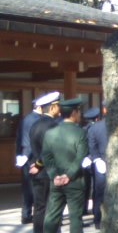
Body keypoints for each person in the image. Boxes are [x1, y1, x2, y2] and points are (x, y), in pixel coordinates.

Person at [42, 97, 88, 233]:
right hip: (75, 181)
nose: (80, 115)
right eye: (79, 112)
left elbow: (46, 156)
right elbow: (80, 157)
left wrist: (54, 175)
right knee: (75, 218)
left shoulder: (50, 133)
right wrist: (69, 175)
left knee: (52, 216)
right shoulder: (80, 132)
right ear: (74, 113)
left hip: (56, 181)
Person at [28, 91, 61, 233]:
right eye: (58, 106)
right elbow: (48, 150)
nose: (60, 109)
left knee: (40, 207)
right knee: (52, 208)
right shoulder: (53, 125)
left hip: (37, 173)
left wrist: (35, 164)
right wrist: (38, 164)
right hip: (48, 172)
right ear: (52, 108)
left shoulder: (35, 125)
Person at [15, 95, 43, 224]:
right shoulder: (38, 120)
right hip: (34, 156)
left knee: (27, 187)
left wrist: (19, 154)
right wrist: (27, 154)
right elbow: (34, 139)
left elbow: (18, 137)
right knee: (37, 188)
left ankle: (26, 214)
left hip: (24, 156)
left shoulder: (26, 118)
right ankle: (37, 215)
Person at [86, 105, 107, 229]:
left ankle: (98, 220)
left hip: (101, 163)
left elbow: (92, 146)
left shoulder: (94, 128)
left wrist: (97, 158)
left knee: (99, 193)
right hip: (114, 163)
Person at [81, 107, 101, 216]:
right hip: (95, 159)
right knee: (95, 187)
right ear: (97, 118)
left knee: (85, 186)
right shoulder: (96, 129)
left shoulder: (83, 129)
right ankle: (95, 209)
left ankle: (84, 208)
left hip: (85, 160)